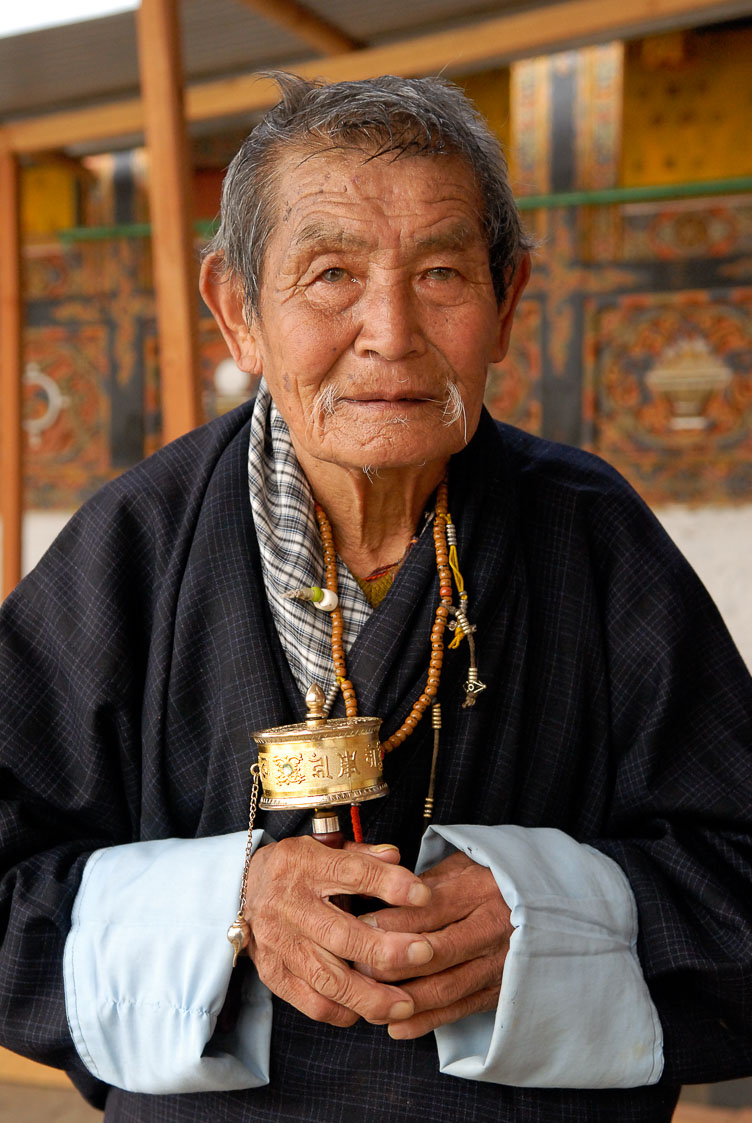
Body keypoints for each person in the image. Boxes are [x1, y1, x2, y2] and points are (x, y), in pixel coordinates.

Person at [1, 72, 751, 1123]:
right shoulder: (139, 541)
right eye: (328, 275)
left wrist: (548, 914)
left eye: (440, 272)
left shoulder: (592, 537)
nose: (390, 331)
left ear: (506, 304)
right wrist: (232, 903)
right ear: (235, 312)